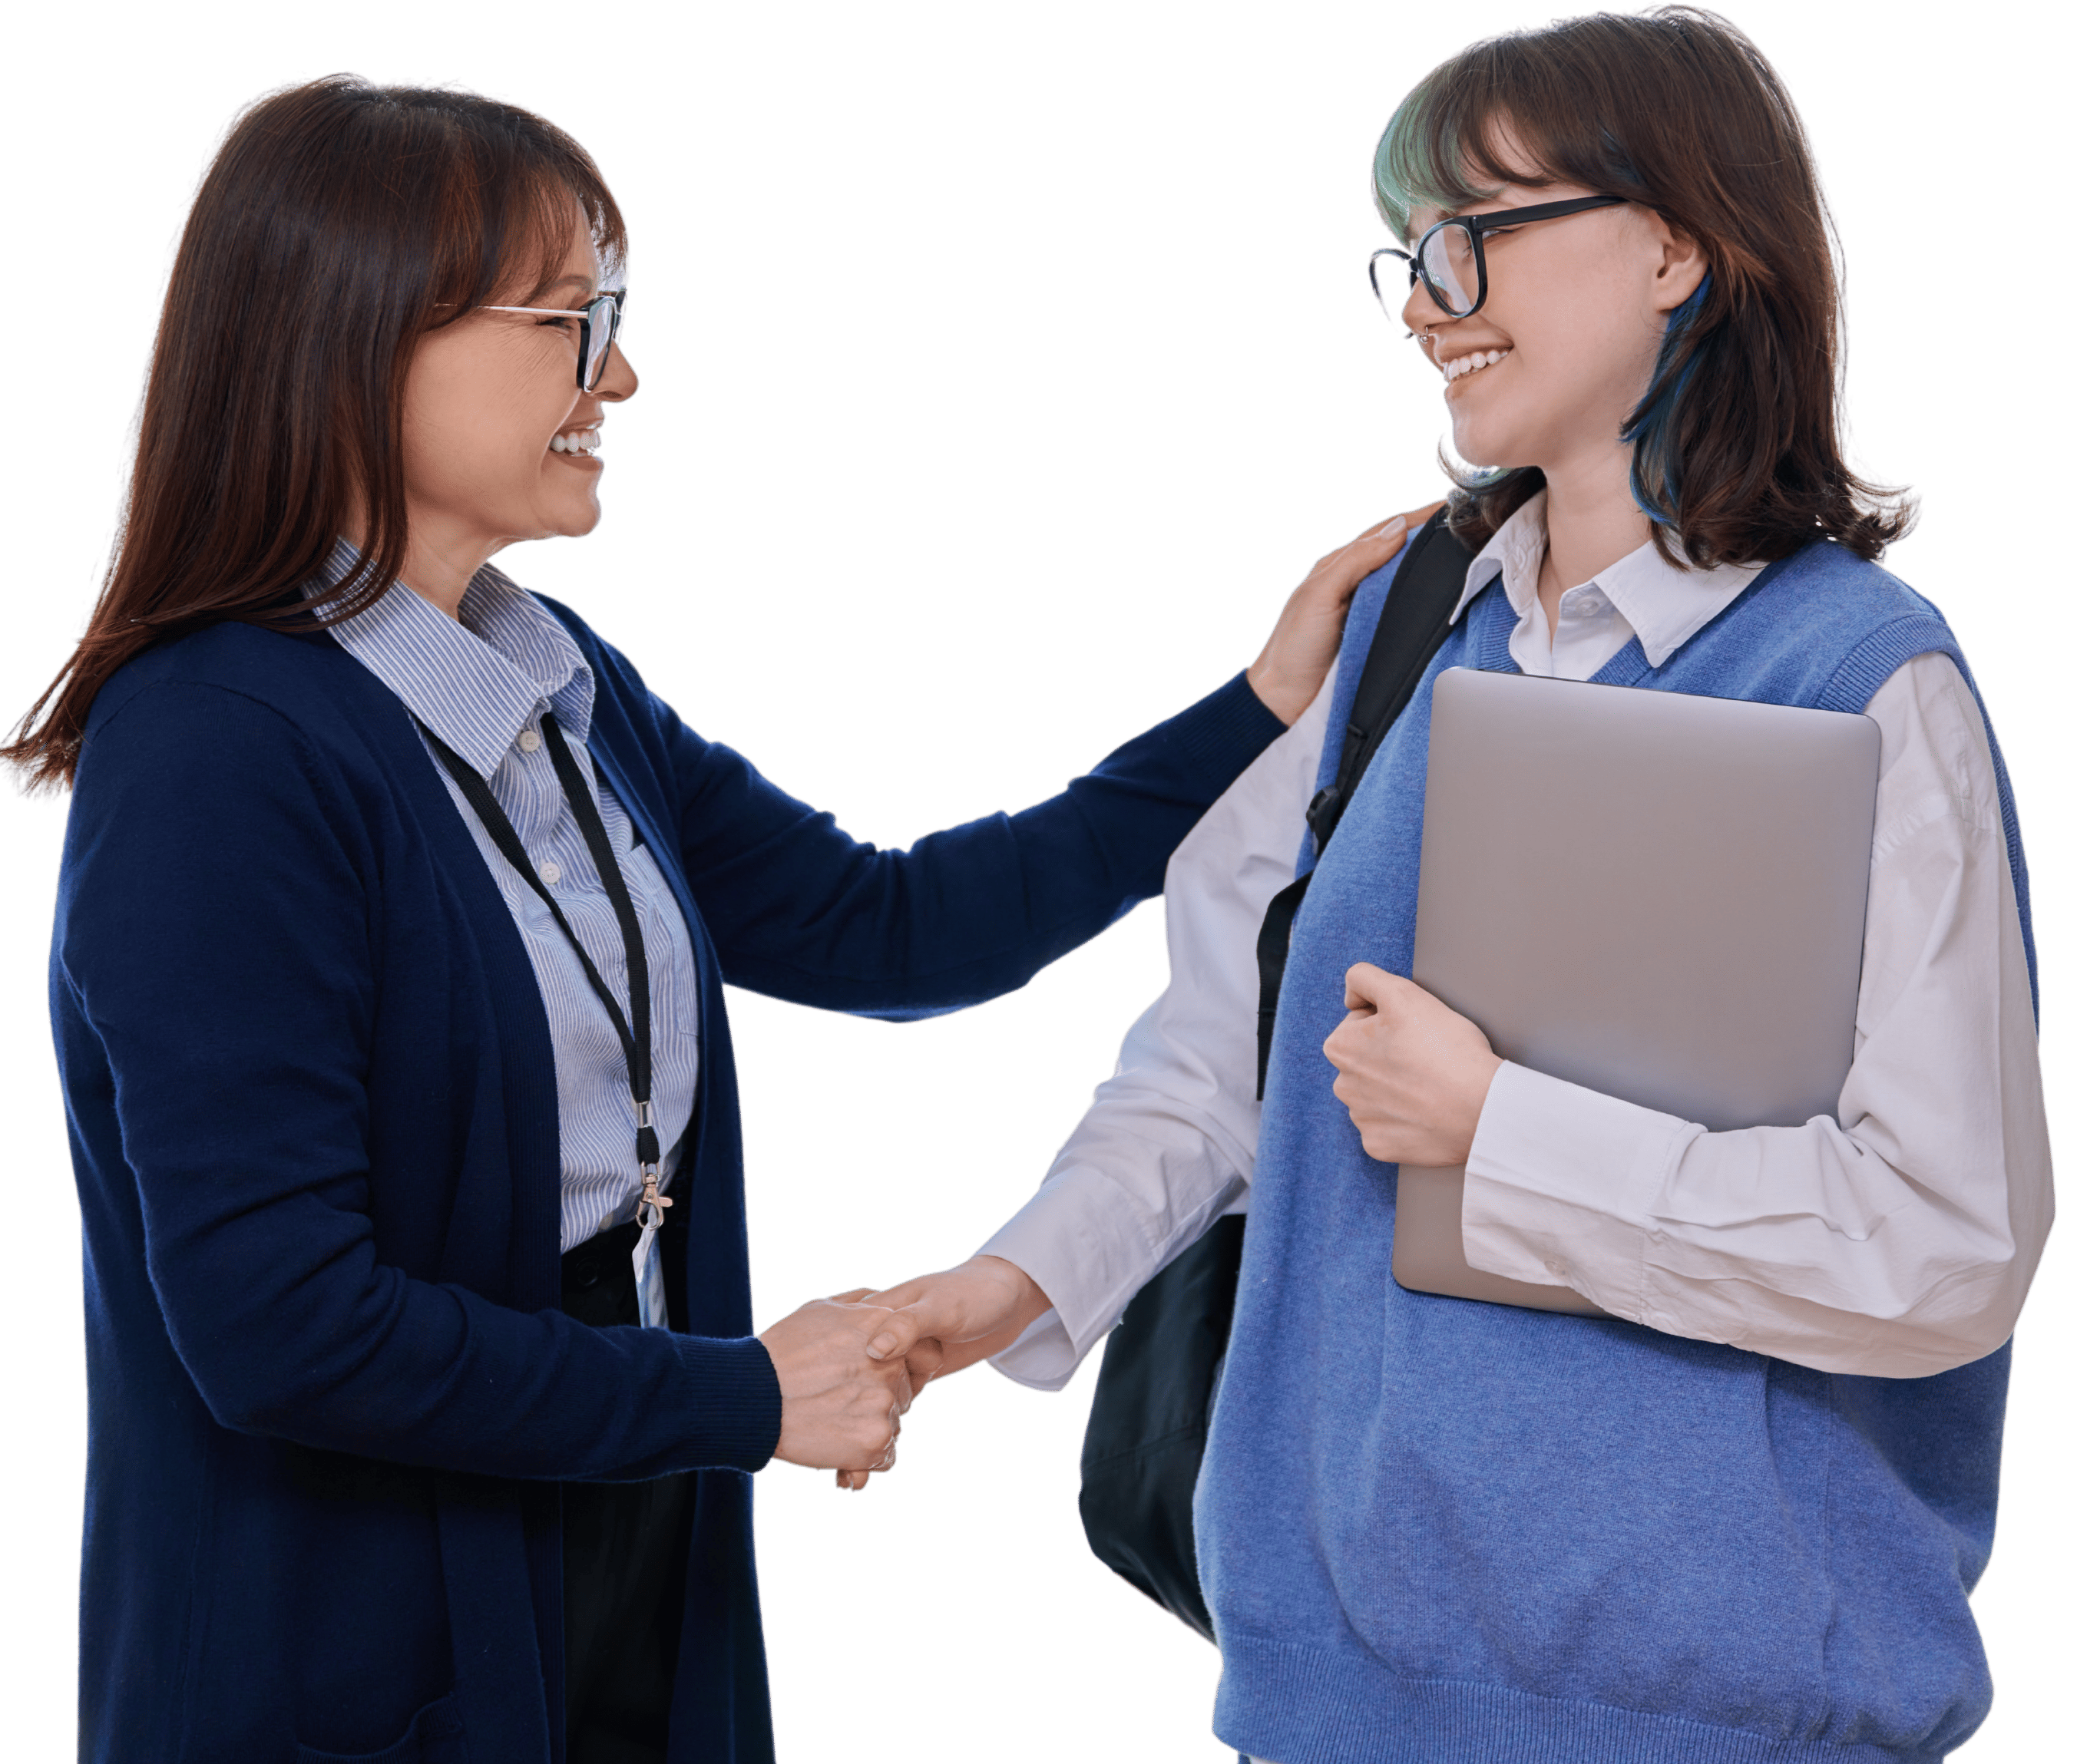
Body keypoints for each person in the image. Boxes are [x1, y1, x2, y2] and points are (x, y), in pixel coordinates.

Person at [5, 74, 1434, 1764]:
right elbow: (281, 1329)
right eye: (569, 317)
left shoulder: (560, 682)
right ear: (360, 334)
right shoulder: (218, 748)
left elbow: (891, 928)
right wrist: (743, 1395)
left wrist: (1254, 711)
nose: (618, 372)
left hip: (618, 1540)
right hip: (352, 1645)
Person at [858, 8, 2054, 1762]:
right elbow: (1221, 1055)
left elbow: (1943, 1247)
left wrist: (1503, 1132)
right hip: (1327, 1692)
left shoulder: (1859, 683)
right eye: (1410, 255)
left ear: (1672, 246)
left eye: (1472, 232)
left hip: (1705, 1718)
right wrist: (1015, 1287)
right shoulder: (1399, 636)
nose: (1427, 301)